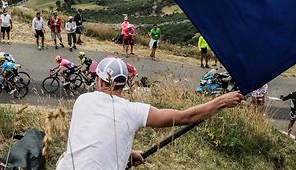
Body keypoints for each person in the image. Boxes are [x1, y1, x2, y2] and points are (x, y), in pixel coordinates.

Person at [56, 57, 244, 169]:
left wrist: (125, 153)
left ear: (98, 81)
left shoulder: (82, 101)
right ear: (125, 84)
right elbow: (185, 117)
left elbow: (91, 137)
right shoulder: (133, 110)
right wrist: (222, 101)